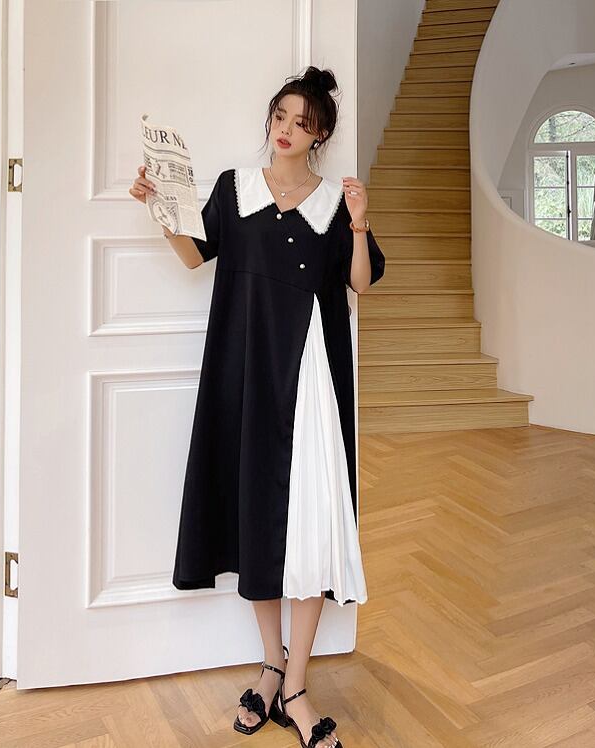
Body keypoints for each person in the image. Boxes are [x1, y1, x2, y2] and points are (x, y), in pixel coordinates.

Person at [130, 66, 385, 748]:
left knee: (310, 528)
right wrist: (160, 210)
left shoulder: (334, 204)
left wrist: (361, 223)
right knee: (255, 520)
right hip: (245, 376)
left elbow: (361, 284)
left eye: (302, 122)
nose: (286, 129)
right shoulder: (233, 189)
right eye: (281, 116)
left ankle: (296, 685)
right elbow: (194, 257)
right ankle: (272, 665)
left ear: (319, 134)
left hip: (311, 379)